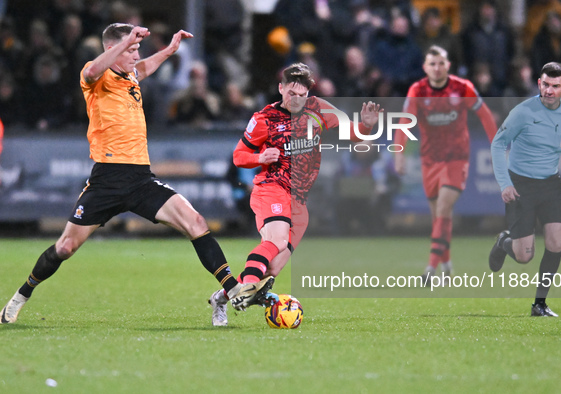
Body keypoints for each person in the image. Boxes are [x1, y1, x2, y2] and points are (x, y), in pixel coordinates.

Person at [0, 23, 269, 325]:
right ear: (113, 49)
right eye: (131, 49)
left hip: (141, 179)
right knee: (64, 247)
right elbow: (91, 72)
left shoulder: (130, 75)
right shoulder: (96, 74)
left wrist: (168, 50)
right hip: (107, 179)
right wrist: (126, 41)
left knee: (195, 222)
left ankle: (232, 290)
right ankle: (22, 294)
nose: (136, 55)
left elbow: (144, 66)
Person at [208, 62, 382, 326]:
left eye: (302, 94)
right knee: (276, 241)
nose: (296, 99)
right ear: (281, 88)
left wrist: (366, 127)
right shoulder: (263, 119)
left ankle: (222, 297)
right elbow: (238, 156)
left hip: (299, 200)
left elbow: (353, 135)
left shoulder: (319, 109)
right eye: (291, 93)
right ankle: (246, 288)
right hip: (271, 188)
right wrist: (260, 156)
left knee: (272, 269)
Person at [488, 62, 561, 317]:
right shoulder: (522, 112)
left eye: (555, 86)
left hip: (551, 184)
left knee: (556, 240)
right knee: (524, 256)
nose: (549, 90)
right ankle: (504, 242)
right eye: (545, 84)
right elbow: (498, 145)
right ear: (539, 83)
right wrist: (505, 184)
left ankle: (539, 305)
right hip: (521, 185)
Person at [394, 45, 498, 283]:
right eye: (432, 64)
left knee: (442, 208)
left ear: (448, 65)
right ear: (425, 67)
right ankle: (447, 264)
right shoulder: (417, 90)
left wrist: (495, 146)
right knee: (440, 216)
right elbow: (404, 122)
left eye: (441, 63)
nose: (437, 68)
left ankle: (430, 269)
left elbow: (485, 115)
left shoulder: (462, 88)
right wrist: (399, 154)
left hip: (456, 158)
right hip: (430, 159)